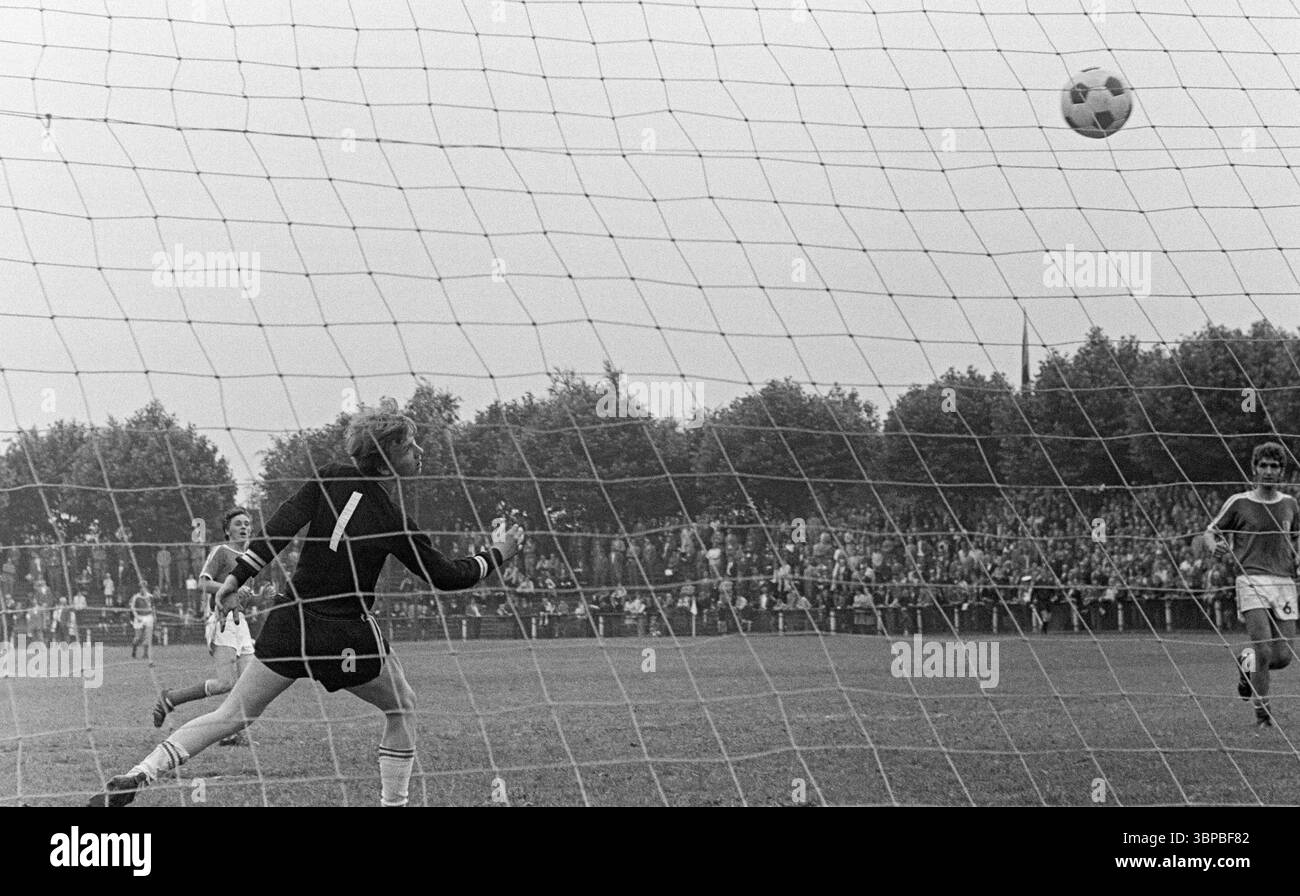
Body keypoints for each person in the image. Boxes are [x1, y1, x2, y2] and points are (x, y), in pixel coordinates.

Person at [90, 403, 523, 806]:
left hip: (289, 621)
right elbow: (448, 576)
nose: (420, 450)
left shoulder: (329, 476)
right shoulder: (393, 520)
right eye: (410, 444)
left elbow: (279, 528)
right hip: (344, 634)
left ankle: (140, 774)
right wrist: (498, 552)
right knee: (402, 705)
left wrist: (236, 578)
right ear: (387, 453)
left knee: (232, 713)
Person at [151, 507, 275, 747]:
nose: (244, 528)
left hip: (241, 624)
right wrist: (233, 589)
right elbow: (202, 584)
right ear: (227, 530)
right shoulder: (221, 551)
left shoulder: (250, 559)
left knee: (249, 685)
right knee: (225, 683)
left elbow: (242, 599)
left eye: (247, 524)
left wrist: (261, 597)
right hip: (220, 620)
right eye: (238, 524)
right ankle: (171, 698)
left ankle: (232, 734)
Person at [1207, 441, 1300, 729]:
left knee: (1282, 657)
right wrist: (1213, 546)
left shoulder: (1290, 504)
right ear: (1254, 469)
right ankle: (1262, 714)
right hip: (1251, 579)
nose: (1269, 471)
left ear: (1282, 471)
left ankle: (1247, 666)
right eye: (1264, 465)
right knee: (1263, 650)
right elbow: (1211, 530)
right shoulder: (1239, 502)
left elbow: (1296, 537)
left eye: (1274, 466)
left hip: (1283, 581)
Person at [130, 584, 155, 665]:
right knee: (138, 636)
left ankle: (145, 654)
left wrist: (154, 616)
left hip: (148, 616)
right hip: (139, 617)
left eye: (144, 587)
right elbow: (133, 608)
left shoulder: (150, 597)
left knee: (148, 636)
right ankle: (134, 651)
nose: (142, 589)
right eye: (141, 588)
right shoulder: (136, 597)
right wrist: (137, 616)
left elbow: (153, 607)